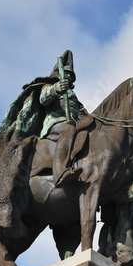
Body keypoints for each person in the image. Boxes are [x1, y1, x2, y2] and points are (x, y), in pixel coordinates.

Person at [39, 50, 86, 187]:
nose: (69, 77)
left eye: (71, 76)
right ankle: (60, 173)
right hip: (55, 123)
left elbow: (82, 112)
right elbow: (43, 99)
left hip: (72, 122)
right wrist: (56, 89)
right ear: (59, 74)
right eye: (67, 74)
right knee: (69, 130)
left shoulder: (73, 95)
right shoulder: (49, 86)